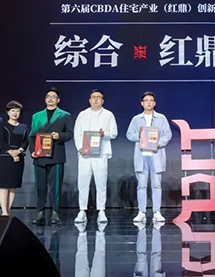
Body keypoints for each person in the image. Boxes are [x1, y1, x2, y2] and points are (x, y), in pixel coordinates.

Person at [29, 88, 74, 225]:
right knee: (40, 186)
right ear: (45, 99)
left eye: (53, 97)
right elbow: (32, 135)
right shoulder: (36, 116)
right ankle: (40, 212)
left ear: (58, 100)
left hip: (56, 155)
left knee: (55, 186)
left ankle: (55, 212)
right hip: (40, 155)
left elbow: (69, 134)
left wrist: (59, 136)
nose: (50, 99)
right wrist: (32, 151)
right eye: (48, 96)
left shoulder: (65, 115)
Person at [126, 92, 172, 223]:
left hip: (156, 155)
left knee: (156, 185)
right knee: (141, 185)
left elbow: (168, 134)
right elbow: (129, 134)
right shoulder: (136, 119)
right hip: (141, 156)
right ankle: (141, 212)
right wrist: (139, 136)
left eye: (151, 100)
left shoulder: (161, 118)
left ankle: (157, 212)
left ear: (154, 103)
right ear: (142, 103)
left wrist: (159, 143)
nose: (149, 102)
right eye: (146, 100)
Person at [73, 89, 118, 224]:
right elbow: (77, 133)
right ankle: (82, 210)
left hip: (101, 153)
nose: (96, 99)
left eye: (99, 97)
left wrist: (105, 134)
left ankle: (101, 211)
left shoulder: (108, 115)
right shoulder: (82, 115)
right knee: (83, 183)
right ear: (89, 100)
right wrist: (80, 148)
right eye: (94, 97)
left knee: (101, 183)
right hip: (85, 154)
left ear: (102, 101)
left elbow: (114, 132)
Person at [0, 101, 28, 216]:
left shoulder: (23, 127)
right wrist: (11, 153)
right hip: (5, 157)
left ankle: (8, 210)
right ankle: (4, 212)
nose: (15, 113)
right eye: (12, 110)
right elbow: (1, 141)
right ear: (8, 112)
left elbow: (25, 142)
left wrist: (19, 151)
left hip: (19, 158)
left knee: (13, 186)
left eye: (17, 111)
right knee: (4, 186)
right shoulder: (2, 125)